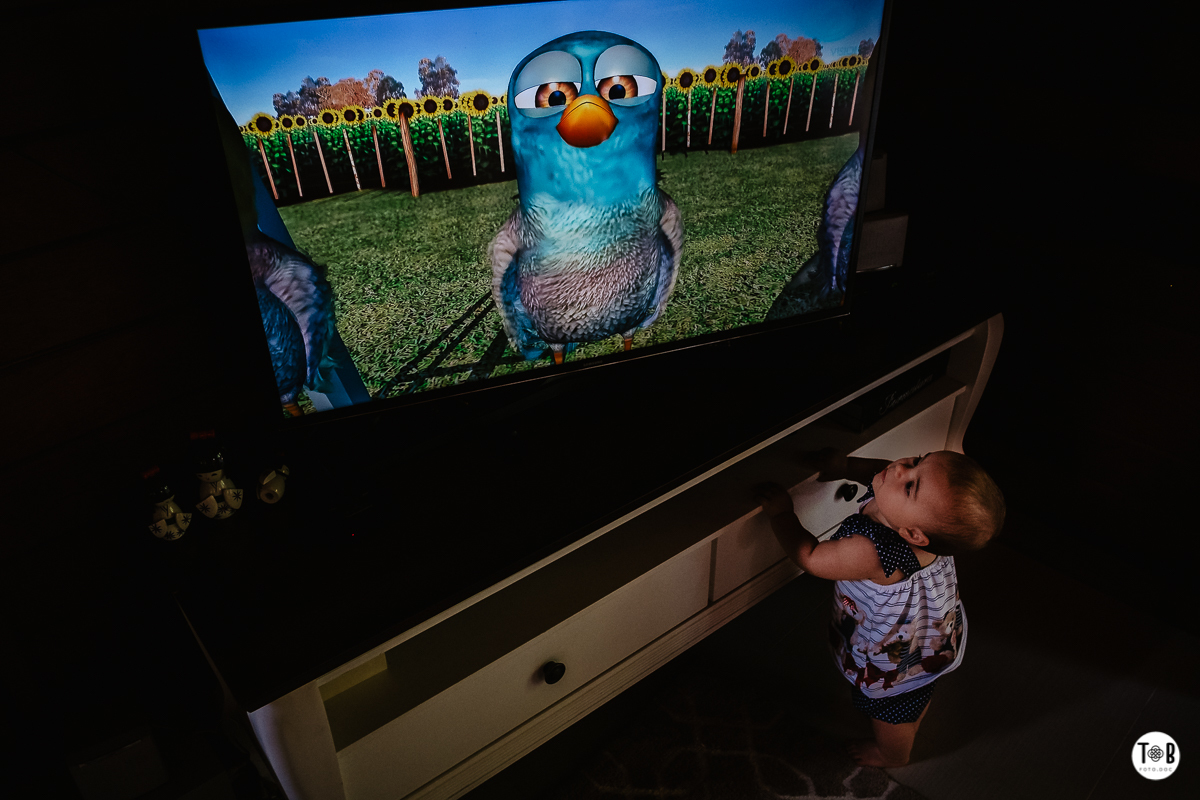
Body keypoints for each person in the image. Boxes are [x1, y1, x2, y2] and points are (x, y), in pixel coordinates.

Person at [755, 448, 1005, 768]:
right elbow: (880, 471)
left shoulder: (873, 552)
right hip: (930, 635)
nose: (901, 469)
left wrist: (782, 515)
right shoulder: (916, 516)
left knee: (889, 711)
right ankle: (918, 699)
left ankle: (893, 753)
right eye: (918, 461)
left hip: (896, 661)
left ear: (912, 534)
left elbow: (812, 556)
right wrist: (845, 465)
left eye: (911, 485)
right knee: (917, 691)